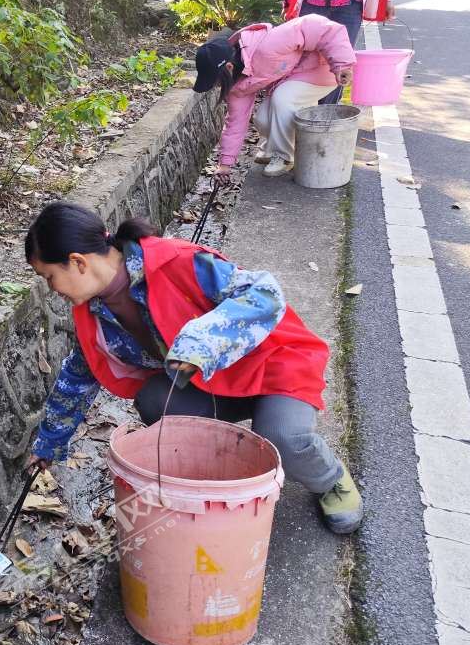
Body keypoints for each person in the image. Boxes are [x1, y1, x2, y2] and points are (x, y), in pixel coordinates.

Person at [24, 202, 363, 534]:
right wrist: (49, 445)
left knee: (283, 438)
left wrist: (203, 339)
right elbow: (77, 380)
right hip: (212, 383)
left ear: (77, 262)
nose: (53, 289)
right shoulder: (94, 315)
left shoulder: (175, 260)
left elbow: (264, 293)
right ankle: (217, 469)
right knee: (155, 402)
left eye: (49, 277)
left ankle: (330, 479)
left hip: (273, 365)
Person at [192, 14, 356, 179]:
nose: (217, 86)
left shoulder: (268, 45)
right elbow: (235, 123)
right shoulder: (237, 84)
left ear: (228, 67)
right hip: (291, 78)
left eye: (216, 81)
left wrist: (342, 64)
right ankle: (275, 147)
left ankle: (284, 156)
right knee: (262, 119)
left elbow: (320, 27)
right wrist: (225, 165)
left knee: (282, 99)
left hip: (324, 70)